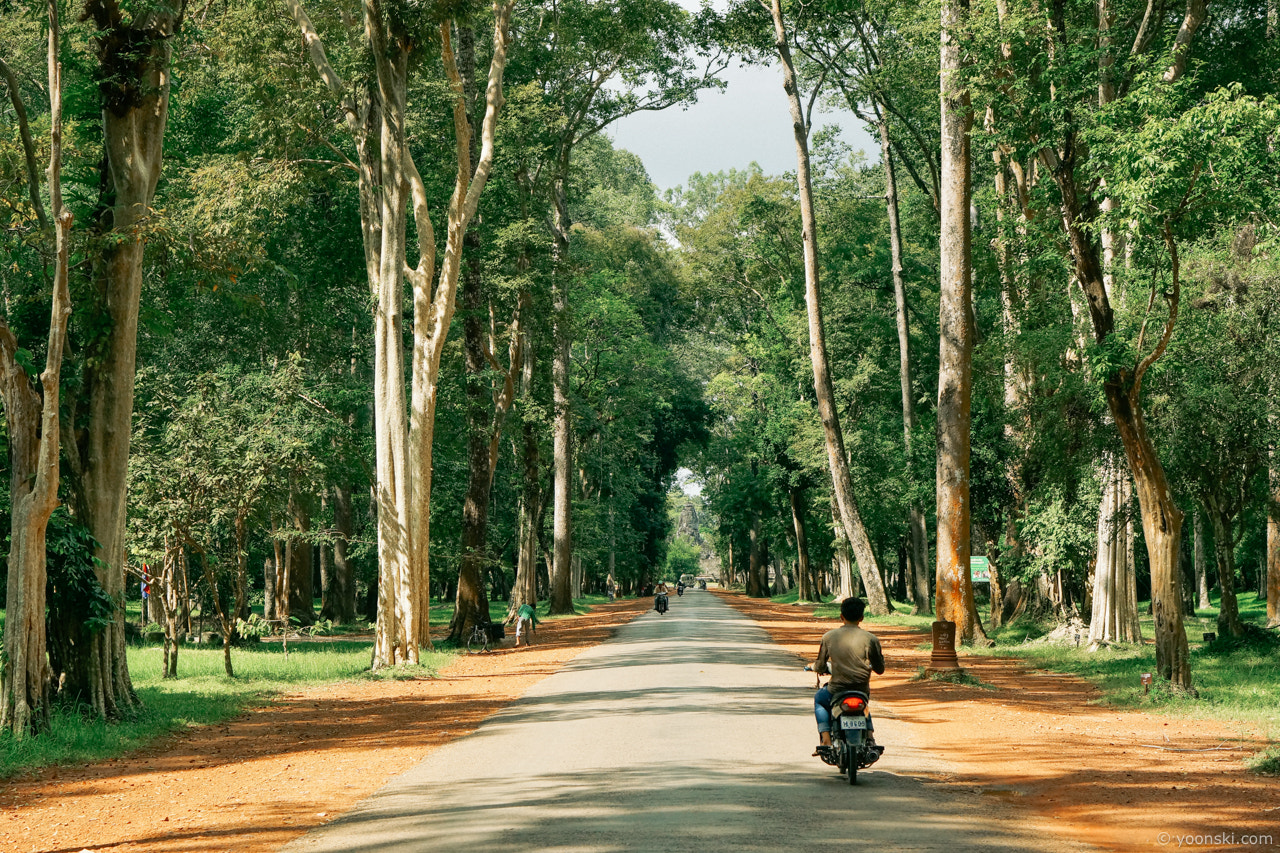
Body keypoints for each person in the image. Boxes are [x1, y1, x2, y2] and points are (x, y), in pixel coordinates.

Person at [808, 597, 884, 756]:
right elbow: (879, 669)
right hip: (861, 688)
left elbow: (821, 665)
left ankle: (826, 739)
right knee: (864, 707)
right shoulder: (871, 639)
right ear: (861, 618)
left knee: (820, 700)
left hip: (837, 689)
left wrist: (814, 667)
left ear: (841, 616)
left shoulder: (828, 637)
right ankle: (870, 737)